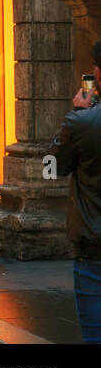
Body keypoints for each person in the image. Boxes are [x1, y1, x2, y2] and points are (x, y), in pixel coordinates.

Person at [55, 42, 101, 343]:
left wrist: (77, 113)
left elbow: (57, 166)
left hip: (94, 248)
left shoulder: (82, 123)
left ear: (98, 74)